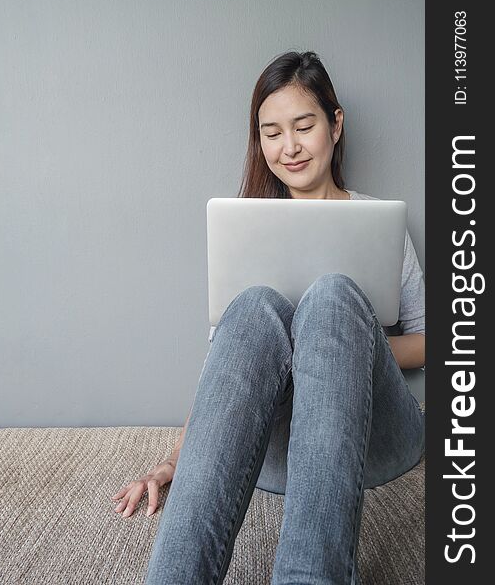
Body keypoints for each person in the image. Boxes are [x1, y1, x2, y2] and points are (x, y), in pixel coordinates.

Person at [111, 50, 425, 585]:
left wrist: (338, 339)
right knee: (255, 306)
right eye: (272, 132)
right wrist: (175, 462)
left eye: (304, 126)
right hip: (277, 456)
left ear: (336, 124)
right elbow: (225, 374)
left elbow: (429, 339)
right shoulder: (245, 231)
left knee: (331, 298)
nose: (290, 147)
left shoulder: (378, 221)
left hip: (377, 439)